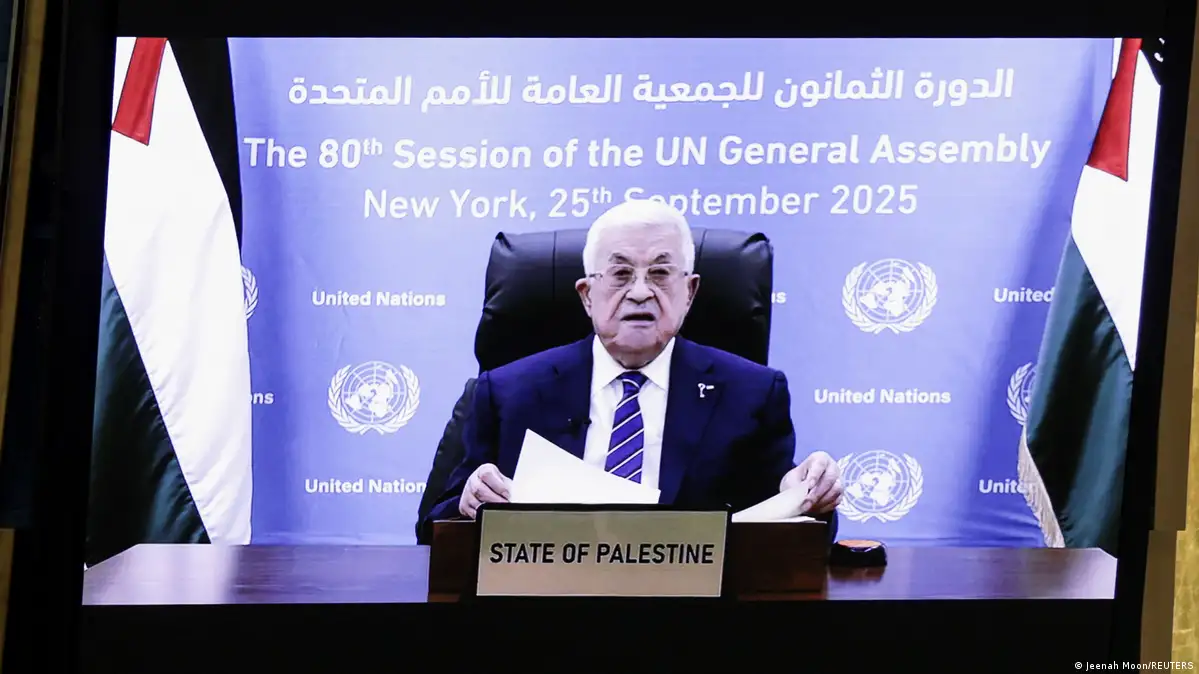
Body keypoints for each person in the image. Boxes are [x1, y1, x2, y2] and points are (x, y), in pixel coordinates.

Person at [420, 199, 843, 533]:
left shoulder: (753, 394)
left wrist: (808, 496)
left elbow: (788, 531)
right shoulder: (507, 393)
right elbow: (435, 527)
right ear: (587, 295)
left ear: (689, 292)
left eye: (660, 273)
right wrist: (468, 502)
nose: (640, 292)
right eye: (620, 274)